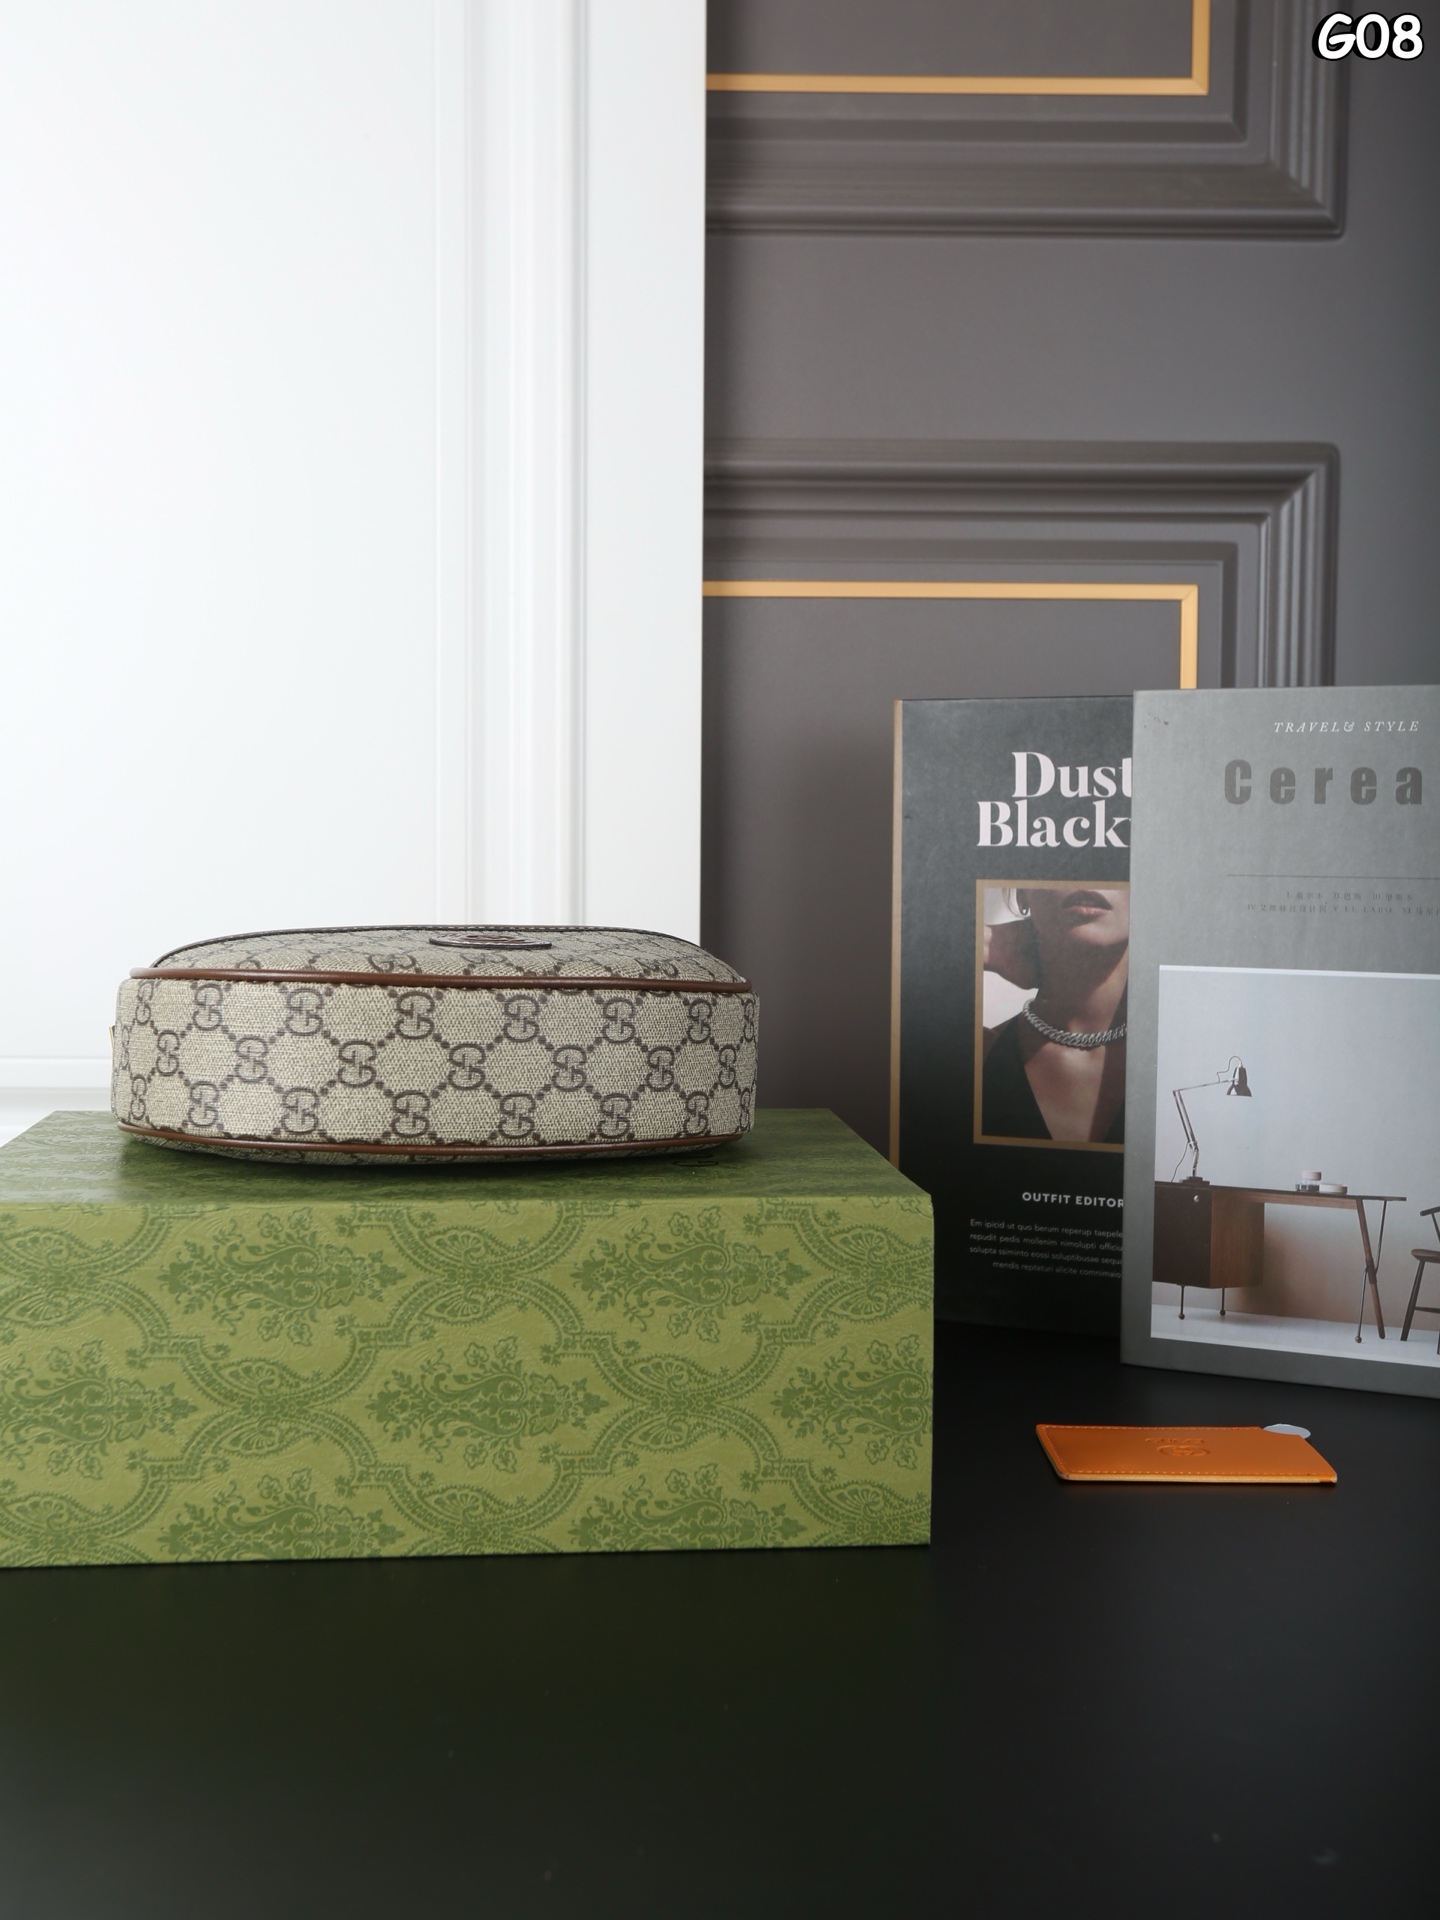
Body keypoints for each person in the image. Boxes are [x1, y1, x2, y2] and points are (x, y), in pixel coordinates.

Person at [981, 887, 1128, 1144]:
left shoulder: (1187, 1051)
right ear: (1022, 894)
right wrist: (984, 943)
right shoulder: (975, 1052)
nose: (1089, 878)